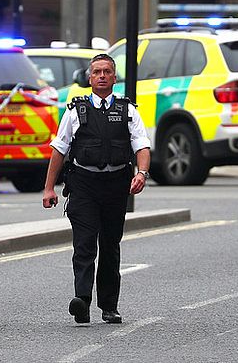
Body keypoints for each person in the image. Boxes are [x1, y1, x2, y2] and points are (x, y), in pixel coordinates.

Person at [42, 53, 150, 325]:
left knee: (110, 246)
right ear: (89, 78)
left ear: (114, 78)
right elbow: (59, 148)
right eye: (97, 72)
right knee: (85, 244)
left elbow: (142, 145)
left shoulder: (128, 110)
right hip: (84, 185)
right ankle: (82, 300)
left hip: (115, 186)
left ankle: (109, 306)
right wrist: (48, 189)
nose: (102, 76)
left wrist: (142, 173)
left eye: (107, 72)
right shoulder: (74, 110)